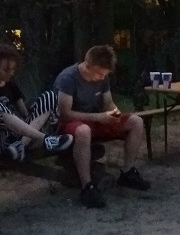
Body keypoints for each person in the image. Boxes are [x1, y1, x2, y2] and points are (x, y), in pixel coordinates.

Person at [54, 45, 151, 208]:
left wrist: (115, 114)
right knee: (83, 131)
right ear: (88, 66)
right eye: (99, 74)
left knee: (136, 121)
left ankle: (127, 172)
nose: (102, 78)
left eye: (105, 75)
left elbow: (108, 102)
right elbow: (65, 114)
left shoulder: (102, 77)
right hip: (71, 124)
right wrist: (97, 117)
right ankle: (87, 187)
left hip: (95, 120)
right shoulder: (68, 78)